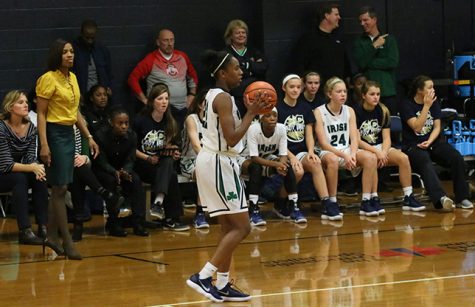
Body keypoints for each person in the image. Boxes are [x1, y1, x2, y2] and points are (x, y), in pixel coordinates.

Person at [186, 50, 268, 302]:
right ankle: (203, 275)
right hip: (220, 163)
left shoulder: (214, 95)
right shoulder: (223, 98)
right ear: (222, 73)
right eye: (236, 68)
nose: (241, 72)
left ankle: (221, 284)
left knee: (228, 226)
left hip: (215, 161)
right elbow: (232, 137)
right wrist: (251, 113)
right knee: (242, 227)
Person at [36, 38, 99, 260]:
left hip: (69, 133)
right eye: (65, 52)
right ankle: (67, 240)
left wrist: (88, 136)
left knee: (61, 189)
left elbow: (76, 113)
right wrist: (44, 144)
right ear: (57, 55)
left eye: (72, 51)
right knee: (60, 188)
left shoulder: (72, 77)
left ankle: (51, 236)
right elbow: (41, 115)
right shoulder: (47, 79)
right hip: (53, 134)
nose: (70, 55)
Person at [400, 75, 473, 210]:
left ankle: (462, 198)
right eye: (430, 87)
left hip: (432, 142)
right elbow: (417, 126)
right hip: (413, 146)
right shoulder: (407, 104)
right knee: (425, 160)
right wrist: (426, 106)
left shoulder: (434, 102)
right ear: (419, 90)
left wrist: (429, 141)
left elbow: (437, 127)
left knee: (456, 157)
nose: (433, 90)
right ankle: (440, 199)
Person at [314, 77, 381, 217]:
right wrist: (345, 155)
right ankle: (331, 202)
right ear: (329, 94)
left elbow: (354, 137)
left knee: (371, 158)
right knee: (332, 159)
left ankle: (366, 200)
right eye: (339, 91)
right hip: (327, 151)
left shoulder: (349, 110)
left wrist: (352, 153)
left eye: (344, 91)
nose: (343, 94)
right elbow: (323, 143)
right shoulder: (319, 112)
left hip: (346, 149)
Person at [355, 81, 425, 212]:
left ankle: (408, 197)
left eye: (378, 94)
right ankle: (372, 197)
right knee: (372, 158)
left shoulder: (383, 110)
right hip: (363, 148)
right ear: (363, 95)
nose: (376, 97)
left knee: (403, 158)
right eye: (372, 94)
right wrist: (377, 152)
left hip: (381, 146)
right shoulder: (355, 111)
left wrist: (384, 151)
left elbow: (387, 138)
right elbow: (357, 140)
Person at [277, 74, 337, 221]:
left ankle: (326, 203)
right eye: (292, 87)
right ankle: (281, 201)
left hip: (302, 150)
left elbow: (309, 133)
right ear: (284, 88)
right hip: (284, 152)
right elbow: (277, 139)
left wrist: (310, 151)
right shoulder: (277, 108)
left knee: (315, 162)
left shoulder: (304, 107)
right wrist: (290, 157)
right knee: (297, 172)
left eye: (298, 87)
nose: (295, 90)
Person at [133, 83, 189, 232]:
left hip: (160, 164)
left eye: (166, 98)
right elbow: (131, 149)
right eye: (160, 98)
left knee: (169, 167)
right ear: (152, 101)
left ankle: (158, 204)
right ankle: (170, 218)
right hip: (142, 163)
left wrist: (174, 152)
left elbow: (170, 147)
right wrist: (147, 158)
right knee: (170, 174)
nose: (164, 102)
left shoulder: (170, 121)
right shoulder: (140, 120)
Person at [0, 90, 50, 246]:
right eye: (20, 102)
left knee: (39, 176)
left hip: (15, 171)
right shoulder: (1, 128)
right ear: (9, 107)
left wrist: (36, 168)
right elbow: (6, 164)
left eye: (26, 102)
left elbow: (29, 157)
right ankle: (25, 231)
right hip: (3, 172)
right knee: (20, 179)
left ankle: (43, 226)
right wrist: (32, 167)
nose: (26, 105)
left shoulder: (31, 128)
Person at [93, 107, 149, 237]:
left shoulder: (132, 136)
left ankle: (137, 222)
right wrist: (114, 172)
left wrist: (125, 171)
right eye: (120, 123)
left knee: (135, 181)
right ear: (112, 123)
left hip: (123, 168)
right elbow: (100, 161)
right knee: (110, 182)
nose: (124, 126)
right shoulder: (100, 135)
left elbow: (131, 158)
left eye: (126, 123)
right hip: (104, 170)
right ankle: (114, 222)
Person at [127, 29, 198, 128]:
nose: (169, 44)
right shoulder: (151, 59)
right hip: (161, 112)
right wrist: (145, 100)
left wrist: (192, 94)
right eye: (166, 40)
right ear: (158, 42)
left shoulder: (182, 57)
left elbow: (193, 76)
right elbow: (132, 79)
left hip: (182, 109)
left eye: (172, 40)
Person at [69, 120, 125, 242]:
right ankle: (105, 194)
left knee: (79, 171)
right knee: (78, 173)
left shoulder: (82, 127)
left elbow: (87, 155)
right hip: (61, 168)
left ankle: (78, 225)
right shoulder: (55, 127)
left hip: (80, 168)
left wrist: (84, 158)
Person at [244, 107, 299, 226]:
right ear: (261, 119)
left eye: (274, 115)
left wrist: (282, 164)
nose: (272, 118)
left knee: (287, 166)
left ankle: (294, 206)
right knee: (256, 167)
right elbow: (254, 158)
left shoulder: (282, 128)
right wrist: (276, 164)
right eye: (268, 116)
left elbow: (283, 154)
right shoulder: (253, 129)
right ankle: (253, 209)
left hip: (266, 157)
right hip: (244, 158)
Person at [353, 6, 399, 115]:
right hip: (367, 93)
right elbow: (361, 63)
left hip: (387, 91)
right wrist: (374, 46)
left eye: (365, 20)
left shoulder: (389, 40)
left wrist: (370, 63)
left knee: (390, 124)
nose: (362, 24)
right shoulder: (359, 42)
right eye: (360, 21)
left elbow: (392, 62)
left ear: (374, 20)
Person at [295, 3, 350, 86]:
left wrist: (348, 78)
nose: (339, 17)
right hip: (317, 89)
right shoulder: (309, 39)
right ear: (327, 16)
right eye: (336, 14)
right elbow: (299, 63)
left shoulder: (338, 39)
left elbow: (345, 63)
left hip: (336, 89)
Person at [224, 19, 268, 117]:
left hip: (256, 96)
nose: (241, 35)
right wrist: (252, 65)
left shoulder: (254, 51)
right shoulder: (226, 53)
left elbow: (263, 68)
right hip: (237, 96)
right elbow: (232, 74)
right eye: (237, 33)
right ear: (230, 35)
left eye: (243, 32)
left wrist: (245, 65)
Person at [181, 89, 209, 229]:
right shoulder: (192, 119)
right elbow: (195, 145)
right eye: (207, 103)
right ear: (200, 105)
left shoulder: (215, 121)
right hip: (189, 160)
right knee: (204, 170)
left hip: (208, 159)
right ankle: (200, 213)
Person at [72, 19, 112, 96]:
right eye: (87, 38)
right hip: (81, 94)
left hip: (100, 94)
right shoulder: (73, 49)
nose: (90, 41)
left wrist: (109, 87)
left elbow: (109, 73)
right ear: (81, 34)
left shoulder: (102, 50)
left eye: (92, 38)